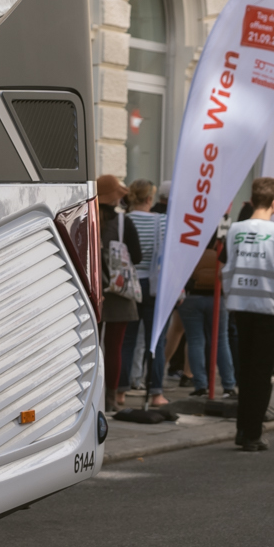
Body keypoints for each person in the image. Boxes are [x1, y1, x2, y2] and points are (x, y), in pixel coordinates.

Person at [223, 177, 274, 451]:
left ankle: (242, 430)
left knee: (244, 368)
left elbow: (225, 263)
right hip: (267, 307)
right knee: (261, 371)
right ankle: (253, 433)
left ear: (252, 200)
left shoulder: (234, 230)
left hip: (240, 305)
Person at [95, 175, 142, 414]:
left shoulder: (87, 219)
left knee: (92, 347)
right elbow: (137, 256)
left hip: (92, 291)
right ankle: (111, 400)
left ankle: (92, 398)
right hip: (119, 292)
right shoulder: (124, 223)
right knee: (114, 347)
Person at [122, 179, 170, 409]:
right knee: (156, 341)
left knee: (127, 340)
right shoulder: (162, 222)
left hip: (128, 285)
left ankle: (120, 392)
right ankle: (156, 393)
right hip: (153, 286)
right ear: (150, 198)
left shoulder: (124, 220)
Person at [180, 222, 237, 396]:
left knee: (195, 341)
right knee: (221, 340)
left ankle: (200, 385)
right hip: (217, 298)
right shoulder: (220, 253)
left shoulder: (190, 253)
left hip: (191, 298)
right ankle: (228, 385)